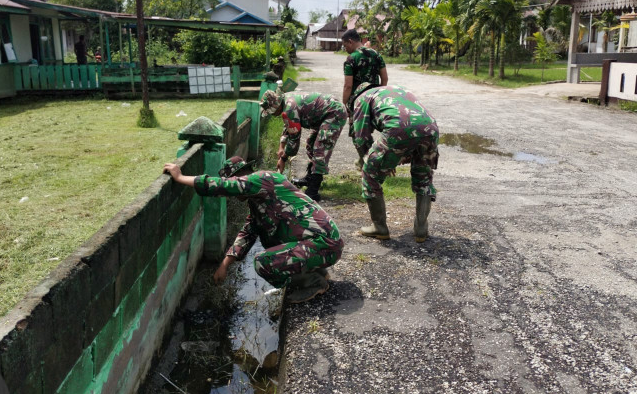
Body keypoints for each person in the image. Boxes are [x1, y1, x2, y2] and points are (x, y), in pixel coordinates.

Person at [163, 156, 344, 303]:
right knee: (269, 239)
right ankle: (317, 272)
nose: (235, 194)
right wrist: (225, 264)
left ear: (241, 176)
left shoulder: (263, 179)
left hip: (325, 244)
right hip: (321, 245)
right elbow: (248, 231)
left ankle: (314, 282)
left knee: (263, 262)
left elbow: (222, 186)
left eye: (236, 180)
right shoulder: (258, 199)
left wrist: (180, 178)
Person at [351, 83, 439, 242]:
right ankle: (421, 229)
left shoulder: (362, 98)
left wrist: (373, 162)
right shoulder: (395, 90)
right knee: (423, 177)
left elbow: (361, 137)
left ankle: (379, 227)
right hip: (430, 128)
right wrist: (388, 160)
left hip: (398, 128)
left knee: (370, 175)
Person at [259, 89, 347, 202]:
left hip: (334, 113)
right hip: (323, 115)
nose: (272, 115)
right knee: (311, 143)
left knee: (320, 149)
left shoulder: (289, 109)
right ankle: (310, 177)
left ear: (275, 107)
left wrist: (283, 158)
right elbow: (288, 126)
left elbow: (294, 142)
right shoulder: (285, 102)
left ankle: (313, 190)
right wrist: (281, 147)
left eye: (271, 112)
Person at [341, 29, 388, 167]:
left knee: (357, 133)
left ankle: (368, 161)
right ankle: (367, 159)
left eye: (345, 45)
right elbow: (385, 78)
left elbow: (348, 86)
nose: (345, 49)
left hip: (358, 102)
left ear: (350, 41)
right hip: (374, 99)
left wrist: (344, 103)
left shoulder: (351, 59)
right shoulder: (376, 54)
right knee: (369, 129)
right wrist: (379, 94)